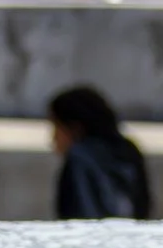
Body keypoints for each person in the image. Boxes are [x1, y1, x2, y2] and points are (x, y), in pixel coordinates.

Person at [49, 85, 155, 220]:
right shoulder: (128, 150)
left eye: (56, 128)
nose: (53, 138)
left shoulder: (79, 158)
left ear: (74, 128)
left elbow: (76, 213)